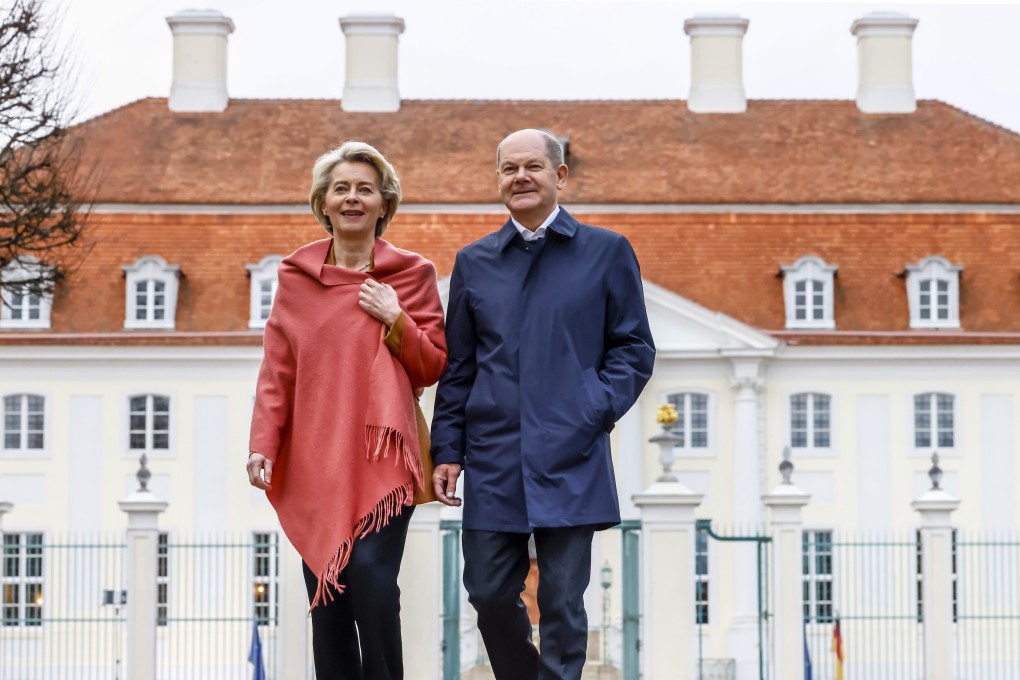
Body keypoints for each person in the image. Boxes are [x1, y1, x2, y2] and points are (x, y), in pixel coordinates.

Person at [430, 128, 655, 680]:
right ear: (499, 180)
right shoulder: (475, 262)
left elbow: (634, 347)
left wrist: (591, 408)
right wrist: (447, 449)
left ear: (560, 176)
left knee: (560, 601)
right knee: (485, 591)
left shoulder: (606, 252)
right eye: (509, 169)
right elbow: (459, 368)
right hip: (494, 454)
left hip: (571, 451)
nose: (520, 177)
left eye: (533, 166)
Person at [246, 140, 447, 680]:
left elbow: (432, 367)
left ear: (384, 203)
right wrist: (262, 444)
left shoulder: (412, 273)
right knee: (326, 592)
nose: (353, 197)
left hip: (384, 457)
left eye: (365, 188)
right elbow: (277, 371)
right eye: (341, 189)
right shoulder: (295, 276)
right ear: (324, 203)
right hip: (314, 456)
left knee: (374, 582)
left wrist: (396, 318)